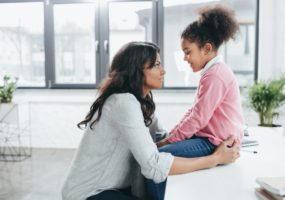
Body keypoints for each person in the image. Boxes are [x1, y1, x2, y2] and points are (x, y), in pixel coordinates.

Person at [61, 42, 240, 200]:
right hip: (90, 193)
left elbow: (161, 138)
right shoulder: (123, 103)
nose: (163, 70)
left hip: (115, 188)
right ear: (136, 71)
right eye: (156, 65)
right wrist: (215, 158)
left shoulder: (138, 102)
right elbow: (153, 164)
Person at [149, 4, 245, 200]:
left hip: (213, 142)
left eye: (188, 51)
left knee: (158, 158)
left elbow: (197, 118)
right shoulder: (213, 72)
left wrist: (168, 141)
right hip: (209, 138)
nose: (185, 58)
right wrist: (173, 134)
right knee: (162, 144)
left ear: (207, 48)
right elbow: (194, 111)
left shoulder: (215, 75)